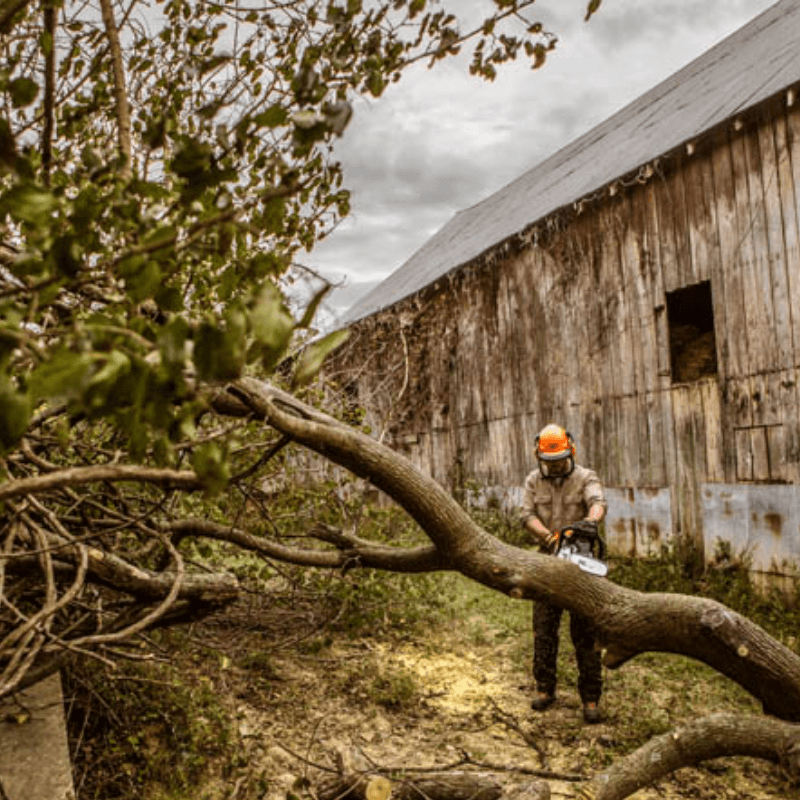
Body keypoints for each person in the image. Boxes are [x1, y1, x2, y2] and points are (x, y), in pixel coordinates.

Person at [520, 423, 608, 724]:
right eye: (549, 462)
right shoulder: (533, 481)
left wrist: (589, 523)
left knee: (586, 634)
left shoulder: (586, 477)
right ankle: (545, 689)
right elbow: (527, 515)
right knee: (544, 630)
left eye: (559, 460)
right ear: (540, 457)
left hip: (580, 563)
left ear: (570, 452)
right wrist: (548, 537)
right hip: (546, 562)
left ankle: (591, 698)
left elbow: (598, 502)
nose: (555, 466)